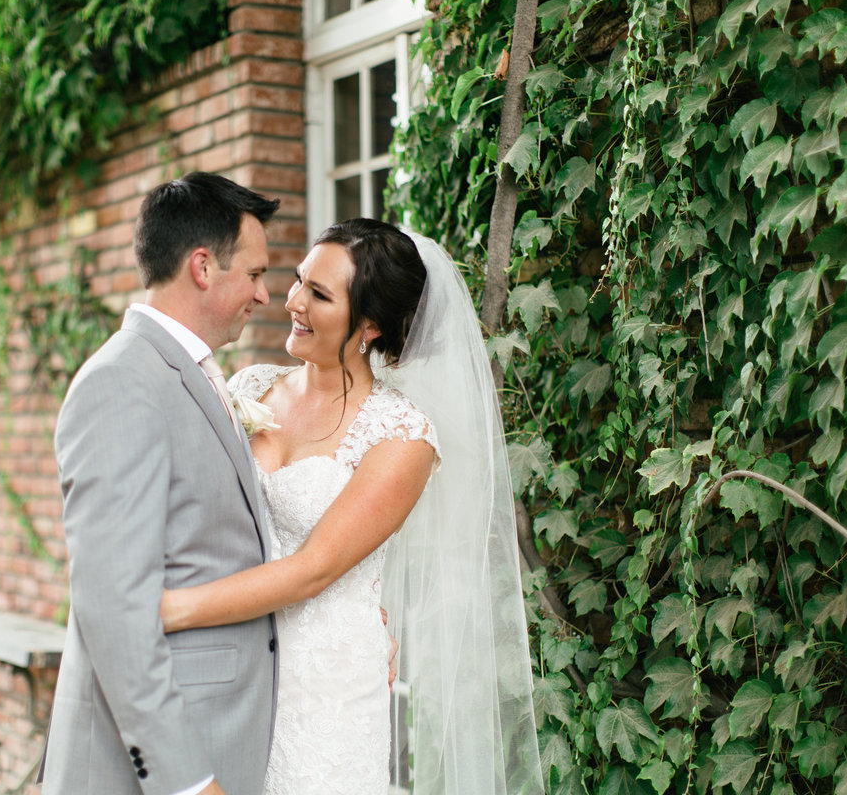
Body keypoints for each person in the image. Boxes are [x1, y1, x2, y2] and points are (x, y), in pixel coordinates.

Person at [160, 219, 544, 795]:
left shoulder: (402, 436)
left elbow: (314, 569)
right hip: (229, 661)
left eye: (319, 294)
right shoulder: (248, 389)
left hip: (324, 688)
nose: (292, 301)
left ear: (369, 325)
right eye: (298, 281)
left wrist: (167, 610)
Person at [39, 172, 280, 795]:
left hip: (224, 731)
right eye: (254, 274)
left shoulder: (192, 374)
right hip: (161, 765)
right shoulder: (121, 383)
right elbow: (114, 609)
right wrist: (187, 782)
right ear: (203, 266)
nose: (265, 294)